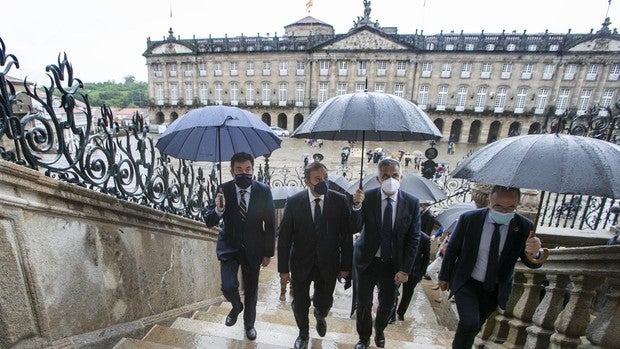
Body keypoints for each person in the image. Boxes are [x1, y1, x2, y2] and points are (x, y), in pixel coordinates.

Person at [438, 186, 543, 349]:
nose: (504, 211)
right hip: (467, 281)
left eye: (510, 207)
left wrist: (534, 252)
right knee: (469, 323)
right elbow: (453, 249)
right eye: (499, 206)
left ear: (517, 204)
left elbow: (532, 263)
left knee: (475, 326)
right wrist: (444, 276)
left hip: (494, 288)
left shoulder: (524, 227)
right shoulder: (469, 219)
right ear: (489, 201)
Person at [277, 162, 353, 349]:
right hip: (301, 263)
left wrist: (345, 266)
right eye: (318, 179)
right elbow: (285, 238)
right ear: (307, 181)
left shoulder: (339, 200)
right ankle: (303, 334)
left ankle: (320, 314)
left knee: (325, 300)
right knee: (300, 303)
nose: (323, 182)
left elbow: (346, 236)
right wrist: (283, 270)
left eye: (325, 178)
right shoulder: (294, 202)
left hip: (329, 263)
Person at [351, 158, 421, 349]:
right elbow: (354, 227)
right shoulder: (368, 198)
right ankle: (364, 338)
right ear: (378, 178)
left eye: (395, 176)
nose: (391, 179)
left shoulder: (412, 203)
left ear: (401, 177)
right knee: (363, 304)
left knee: (388, 304)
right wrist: (356, 206)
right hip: (368, 260)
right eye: (386, 176)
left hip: (393, 264)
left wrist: (405, 269)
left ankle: (380, 329)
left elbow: (414, 238)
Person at [205, 152, 276, 341]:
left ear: (253, 170)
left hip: (254, 248)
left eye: (247, 169)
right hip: (229, 246)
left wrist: (268, 252)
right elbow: (208, 221)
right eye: (239, 170)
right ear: (231, 171)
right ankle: (236, 307)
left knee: (251, 290)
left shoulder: (263, 190)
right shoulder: (223, 189)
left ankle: (249, 324)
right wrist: (218, 210)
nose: (244, 173)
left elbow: (270, 224)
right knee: (228, 286)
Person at [390, 231, 430, 322]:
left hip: (414, 272)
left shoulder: (425, 238)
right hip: (398, 268)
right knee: (394, 292)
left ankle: (400, 313)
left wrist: (421, 274)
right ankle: (392, 314)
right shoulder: (402, 232)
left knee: (407, 294)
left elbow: (426, 258)